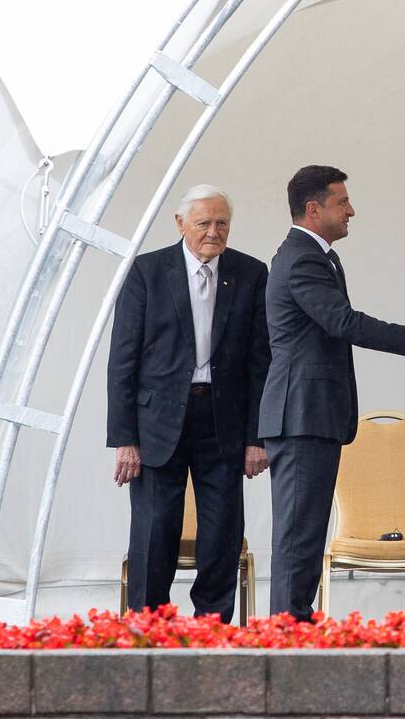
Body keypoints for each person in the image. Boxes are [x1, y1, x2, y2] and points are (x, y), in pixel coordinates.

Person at [259, 165, 405, 621]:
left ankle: (295, 633)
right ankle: (286, 643)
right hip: (301, 416)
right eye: (343, 202)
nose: (351, 211)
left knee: (305, 537)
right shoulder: (302, 257)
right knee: (298, 541)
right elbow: (343, 321)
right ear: (313, 208)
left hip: (313, 416)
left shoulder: (317, 255)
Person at [107, 184, 270, 623]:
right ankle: (147, 630)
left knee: (221, 532)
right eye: (203, 223)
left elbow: (261, 363)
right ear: (180, 224)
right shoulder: (146, 272)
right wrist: (125, 439)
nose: (213, 232)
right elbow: (122, 360)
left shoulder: (252, 273)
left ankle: (212, 631)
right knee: (154, 530)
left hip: (224, 420)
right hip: (157, 422)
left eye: (222, 223)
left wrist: (258, 438)